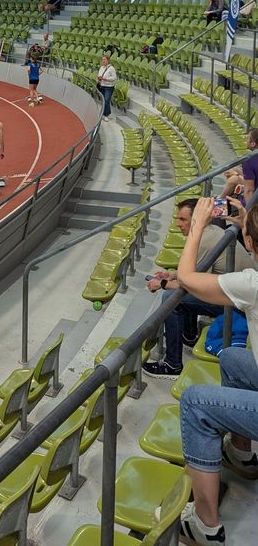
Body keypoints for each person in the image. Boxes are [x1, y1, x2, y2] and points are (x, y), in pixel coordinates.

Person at [175, 197, 258, 546]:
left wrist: (198, 225)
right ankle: (242, 453)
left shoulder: (252, 284)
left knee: (195, 403)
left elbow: (187, 278)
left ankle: (206, 527)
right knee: (233, 358)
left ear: (250, 242)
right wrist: (245, 224)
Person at [142, 197, 249, 378]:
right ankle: (189, 336)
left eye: (183, 219)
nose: (178, 224)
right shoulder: (212, 230)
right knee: (180, 294)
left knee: (171, 299)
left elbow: (192, 283)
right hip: (238, 295)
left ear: (198, 218)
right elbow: (196, 271)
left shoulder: (204, 240)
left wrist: (162, 284)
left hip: (240, 306)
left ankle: (173, 365)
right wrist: (172, 275)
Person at [96, 54, 116, 121]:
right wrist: (98, 78)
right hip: (102, 86)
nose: (103, 61)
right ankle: (106, 113)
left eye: (104, 59)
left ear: (108, 60)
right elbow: (99, 75)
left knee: (106, 100)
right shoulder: (101, 68)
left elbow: (114, 78)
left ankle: (105, 114)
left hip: (109, 87)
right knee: (104, 100)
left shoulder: (111, 68)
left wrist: (106, 79)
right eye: (102, 60)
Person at [242, 128, 258, 206]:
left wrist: (249, 212)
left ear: (253, 144)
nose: (246, 140)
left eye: (247, 138)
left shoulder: (248, 160)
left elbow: (249, 191)